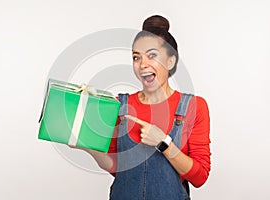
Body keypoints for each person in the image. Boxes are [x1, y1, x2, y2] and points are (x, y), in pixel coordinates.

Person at [71, 15, 211, 200]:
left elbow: (199, 177)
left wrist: (164, 143)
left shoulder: (194, 107)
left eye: (152, 55)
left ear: (171, 61)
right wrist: (89, 147)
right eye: (136, 57)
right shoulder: (119, 105)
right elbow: (117, 168)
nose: (142, 64)